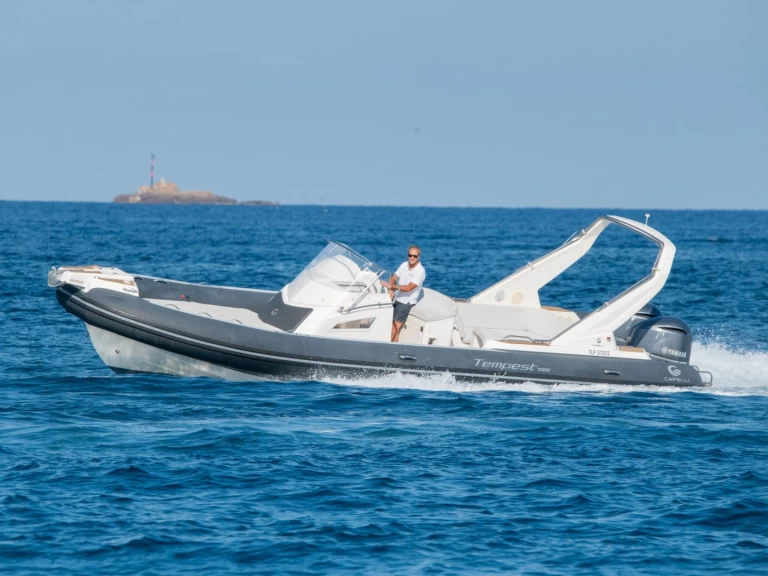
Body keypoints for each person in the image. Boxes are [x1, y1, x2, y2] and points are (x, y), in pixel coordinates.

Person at [381, 245, 426, 342]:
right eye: (410, 255)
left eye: (415, 256)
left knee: (394, 328)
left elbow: (409, 288)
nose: (412, 258)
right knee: (385, 324)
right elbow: (394, 277)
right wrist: (391, 290)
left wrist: (391, 286)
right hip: (397, 298)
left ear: (419, 257)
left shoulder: (420, 271)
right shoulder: (404, 265)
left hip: (406, 302)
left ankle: (393, 351)